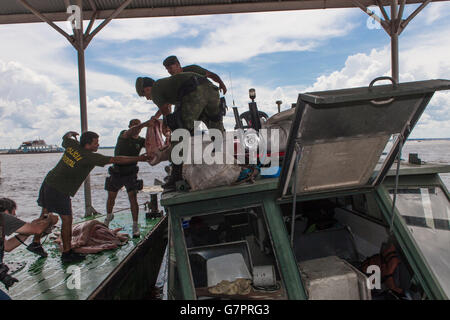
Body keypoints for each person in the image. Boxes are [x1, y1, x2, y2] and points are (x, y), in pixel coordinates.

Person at [28, 131, 151, 263]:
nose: (98, 144)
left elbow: (65, 138)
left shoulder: (72, 145)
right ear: (88, 144)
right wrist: (139, 158)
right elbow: (116, 159)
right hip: (60, 189)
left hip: (48, 182)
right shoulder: (90, 157)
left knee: (45, 214)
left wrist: (69, 133)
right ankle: (67, 253)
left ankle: (35, 242)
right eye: (96, 143)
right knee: (67, 220)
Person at [135, 72, 225, 190]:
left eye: (144, 94)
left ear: (147, 88)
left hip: (195, 93)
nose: (147, 98)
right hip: (212, 90)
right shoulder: (167, 84)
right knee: (215, 127)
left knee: (180, 132)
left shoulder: (155, 89)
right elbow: (166, 107)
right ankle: (225, 163)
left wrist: (169, 125)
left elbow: (166, 111)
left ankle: (176, 176)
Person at [0, 197, 58, 299]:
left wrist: (27, 232)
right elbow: (38, 230)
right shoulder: (3, 218)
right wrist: (49, 219)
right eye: (13, 215)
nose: (15, 217)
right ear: (5, 211)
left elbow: (7, 246)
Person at [104, 119, 152, 237]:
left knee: (133, 198)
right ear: (130, 126)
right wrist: (145, 124)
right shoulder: (124, 134)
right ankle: (108, 216)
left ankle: (135, 225)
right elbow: (131, 131)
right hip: (117, 171)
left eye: (138, 125)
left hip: (130, 173)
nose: (136, 127)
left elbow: (152, 146)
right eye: (134, 125)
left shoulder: (141, 141)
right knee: (111, 197)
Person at [163, 55, 227, 95]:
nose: (169, 71)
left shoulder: (193, 69)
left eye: (170, 68)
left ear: (177, 65)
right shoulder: (173, 81)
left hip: (205, 97)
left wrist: (222, 84)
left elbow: (211, 75)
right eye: (167, 69)